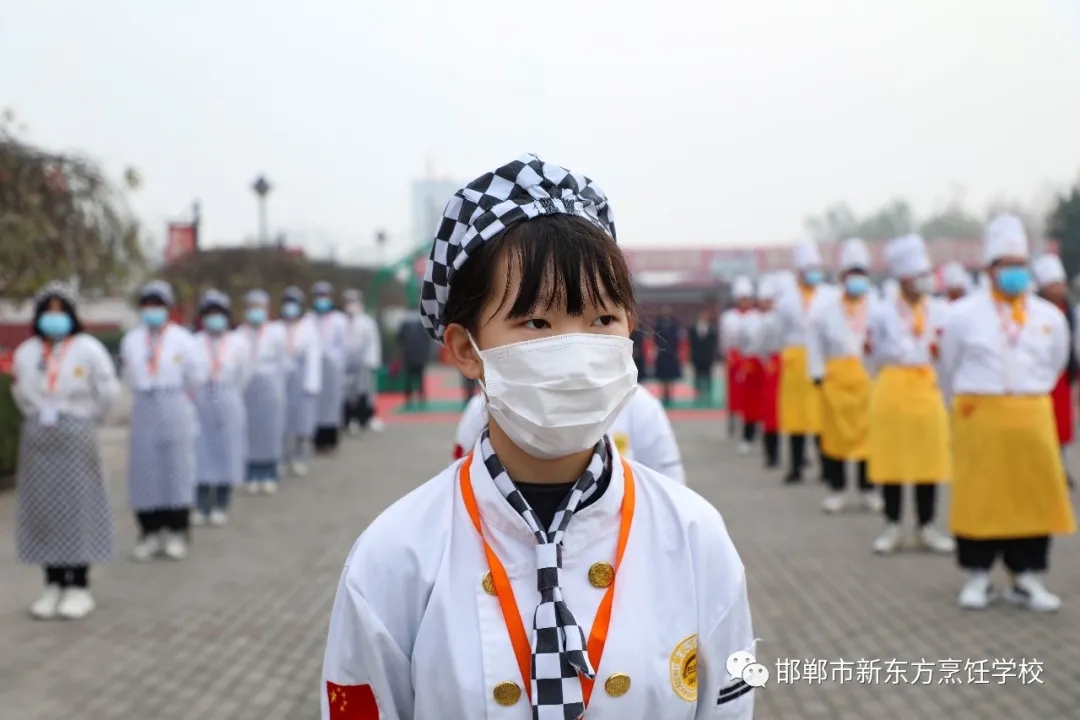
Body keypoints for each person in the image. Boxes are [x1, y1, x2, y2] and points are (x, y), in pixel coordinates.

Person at [323, 154, 754, 720]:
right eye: (537, 323)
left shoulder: (695, 537)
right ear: (463, 349)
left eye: (602, 320)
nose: (576, 354)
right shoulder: (396, 556)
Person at [939, 215, 1075, 611]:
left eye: (1019, 264)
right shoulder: (963, 315)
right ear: (989, 269)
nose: (1013, 273)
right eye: (1005, 265)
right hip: (981, 415)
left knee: (1031, 495)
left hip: (1031, 415)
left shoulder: (1048, 316)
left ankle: (1027, 576)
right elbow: (948, 367)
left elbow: (1056, 363)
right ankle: (977, 575)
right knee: (980, 496)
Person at [13, 282, 120, 620]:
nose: (53, 318)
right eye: (48, 311)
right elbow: (19, 392)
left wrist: (89, 418)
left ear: (72, 316)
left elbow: (107, 391)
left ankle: (79, 584)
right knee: (44, 509)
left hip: (75, 434)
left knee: (78, 507)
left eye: (61, 312)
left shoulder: (88, 349)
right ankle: (52, 582)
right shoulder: (27, 352)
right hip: (39, 438)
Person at [865, 235, 953, 555]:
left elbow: (946, 355)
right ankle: (892, 526)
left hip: (928, 388)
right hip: (892, 388)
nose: (926, 280)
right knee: (893, 459)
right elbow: (871, 356)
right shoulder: (881, 311)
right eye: (919, 275)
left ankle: (927, 526)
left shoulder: (940, 310)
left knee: (929, 459)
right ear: (903, 278)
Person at [120, 280, 205, 562]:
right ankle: (150, 531)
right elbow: (127, 374)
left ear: (168, 308)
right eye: (147, 305)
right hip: (144, 405)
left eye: (158, 305)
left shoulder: (183, 339)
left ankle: (177, 529)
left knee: (176, 468)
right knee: (144, 470)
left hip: (174, 403)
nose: (152, 310)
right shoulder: (131, 339)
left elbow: (196, 376)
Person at [454, 387, 687, 485]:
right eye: (537, 323)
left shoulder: (639, 406)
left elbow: (670, 485)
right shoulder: (483, 409)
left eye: (602, 320)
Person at [808, 238, 881, 515]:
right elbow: (815, 343)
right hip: (836, 379)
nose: (857, 280)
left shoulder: (878, 308)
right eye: (852, 274)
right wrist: (817, 373)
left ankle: (868, 489)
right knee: (834, 437)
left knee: (868, 437)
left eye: (862, 274)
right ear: (842, 278)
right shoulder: (826, 309)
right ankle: (837, 490)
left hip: (867, 377)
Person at [192, 291, 252, 524]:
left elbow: (244, 374)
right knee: (201, 452)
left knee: (227, 451)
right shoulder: (194, 342)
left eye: (219, 313)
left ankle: (221, 502)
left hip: (228, 397)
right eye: (210, 313)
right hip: (201, 399)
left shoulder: (239, 342)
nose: (214, 318)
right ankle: (201, 503)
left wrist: (227, 390)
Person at [775, 240, 828, 484]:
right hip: (796, 361)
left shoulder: (829, 296)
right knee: (795, 417)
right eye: (809, 268)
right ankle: (795, 467)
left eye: (816, 267)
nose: (814, 273)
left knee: (822, 416)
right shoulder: (786, 300)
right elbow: (779, 332)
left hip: (821, 361)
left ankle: (826, 468)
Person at [1031, 255, 1077, 490]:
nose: (1059, 289)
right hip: (1039, 377)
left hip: (1061, 378)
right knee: (1042, 427)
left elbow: (1071, 346)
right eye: (1053, 284)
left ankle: (1060, 466)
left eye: (1060, 283)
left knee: (1062, 427)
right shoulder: (1034, 311)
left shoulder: (1068, 310)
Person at [240, 289, 288, 495]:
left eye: (260, 307)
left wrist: (279, 388)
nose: (256, 312)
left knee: (270, 431)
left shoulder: (276, 333)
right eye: (252, 307)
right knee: (250, 432)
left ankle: (269, 472)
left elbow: (283, 362)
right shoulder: (239, 334)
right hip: (247, 387)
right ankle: (251, 473)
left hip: (270, 386)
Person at [280, 286, 322, 476]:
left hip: (302, 379)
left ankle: (299, 456)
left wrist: (311, 384)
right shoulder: (276, 328)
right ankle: (282, 457)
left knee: (302, 421)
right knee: (281, 421)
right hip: (282, 381)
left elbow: (314, 357)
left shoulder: (308, 328)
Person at [744, 274, 784, 468]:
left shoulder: (780, 318)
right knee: (770, 411)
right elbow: (756, 344)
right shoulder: (762, 321)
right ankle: (771, 453)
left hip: (786, 364)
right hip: (771, 365)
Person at [310, 281, 348, 453]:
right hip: (315, 367)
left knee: (331, 404)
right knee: (316, 404)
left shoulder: (339, 320)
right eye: (319, 296)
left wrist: (336, 361)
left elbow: (343, 345)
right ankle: (316, 440)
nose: (322, 300)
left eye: (325, 296)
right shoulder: (309, 319)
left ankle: (330, 440)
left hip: (332, 367)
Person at [342, 289, 384, 434]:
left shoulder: (367, 322)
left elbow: (373, 343)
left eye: (354, 302)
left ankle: (365, 419)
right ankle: (349, 420)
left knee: (365, 393)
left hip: (364, 363)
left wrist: (372, 361)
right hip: (346, 364)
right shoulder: (342, 322)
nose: (351, 305)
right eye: (348, 302)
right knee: (347, 394)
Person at [721, 278, 754, 440]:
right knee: (734, 393)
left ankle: (752, 423)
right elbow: (725, 340)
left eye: (747, 298)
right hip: (734, 357)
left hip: (751, 358)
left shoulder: (755, 316)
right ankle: (733, 421)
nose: (744, 302)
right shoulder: (729, 317)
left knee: (752, 393)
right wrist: (727, 356)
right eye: (742, 298)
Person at [397, 313, 433, 407]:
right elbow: (427, 338)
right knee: (420, 377)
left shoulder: (405, 323)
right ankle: (421, 398)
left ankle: (408, 399)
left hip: (408, 355)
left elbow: (399, 338)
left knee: (408, 378)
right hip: (420, 356)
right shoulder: (422, 323)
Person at [652, 305, 683, 406]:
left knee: (671, 377)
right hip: (662, 353)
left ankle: (670, 396)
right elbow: (655, 338)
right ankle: (663, 395)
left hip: (672, 354)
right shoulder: (658, 324)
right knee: (662, 377)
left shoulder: (674, 323)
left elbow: (677, 339)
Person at [688, 307, 718, 405]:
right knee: (697, 376)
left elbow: (713, 344)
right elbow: (691, 343)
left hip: (707, 357)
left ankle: (708, 396)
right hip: (697, 357)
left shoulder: (712, 329)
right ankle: (697, 395)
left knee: (708, 376)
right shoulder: (693, 328)